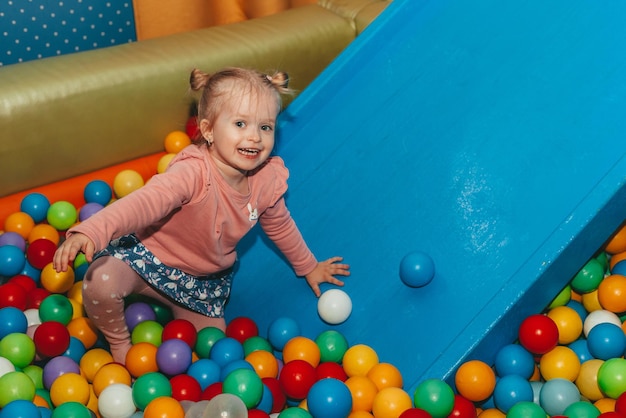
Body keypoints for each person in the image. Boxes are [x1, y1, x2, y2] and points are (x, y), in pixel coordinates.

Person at [53, 67, 350, 363]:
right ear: (208, 130)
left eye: (265, 127)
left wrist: (309, 266)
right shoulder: (193, 173)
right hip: (144, 257)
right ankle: (120, 347)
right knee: (99, 281)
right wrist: (91, 230)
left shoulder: (266, 181)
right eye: (240, 123)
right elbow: (144, 202)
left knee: (215, 348)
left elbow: (280, 225)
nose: (255, 137)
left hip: (200, 282)